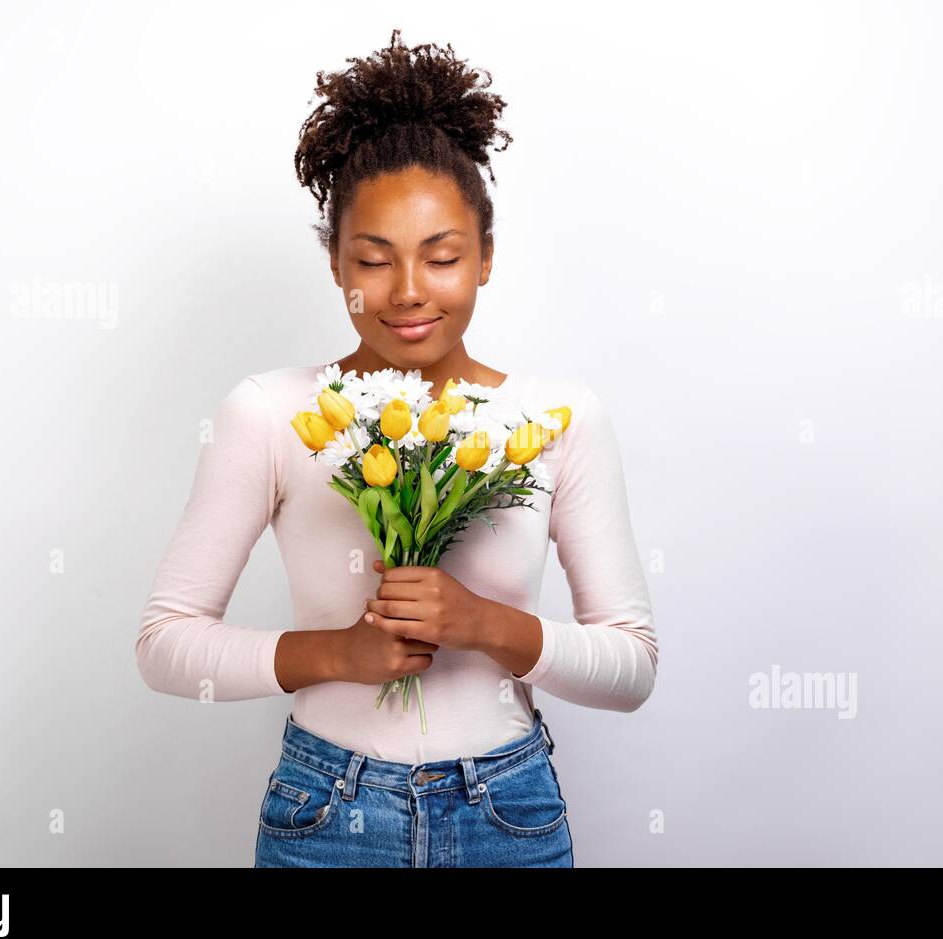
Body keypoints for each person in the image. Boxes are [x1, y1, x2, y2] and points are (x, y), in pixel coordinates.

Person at [136, 29, 658, 867]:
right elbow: (165, 643)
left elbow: (631, 668)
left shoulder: (559, 416)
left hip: (509, 813)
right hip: (326, 813)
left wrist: (483, 623)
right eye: (373, 260)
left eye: (442, 256)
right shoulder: (272, 412)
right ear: (335, 263)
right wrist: (338, 653)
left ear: (485, 257)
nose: (409, 291)